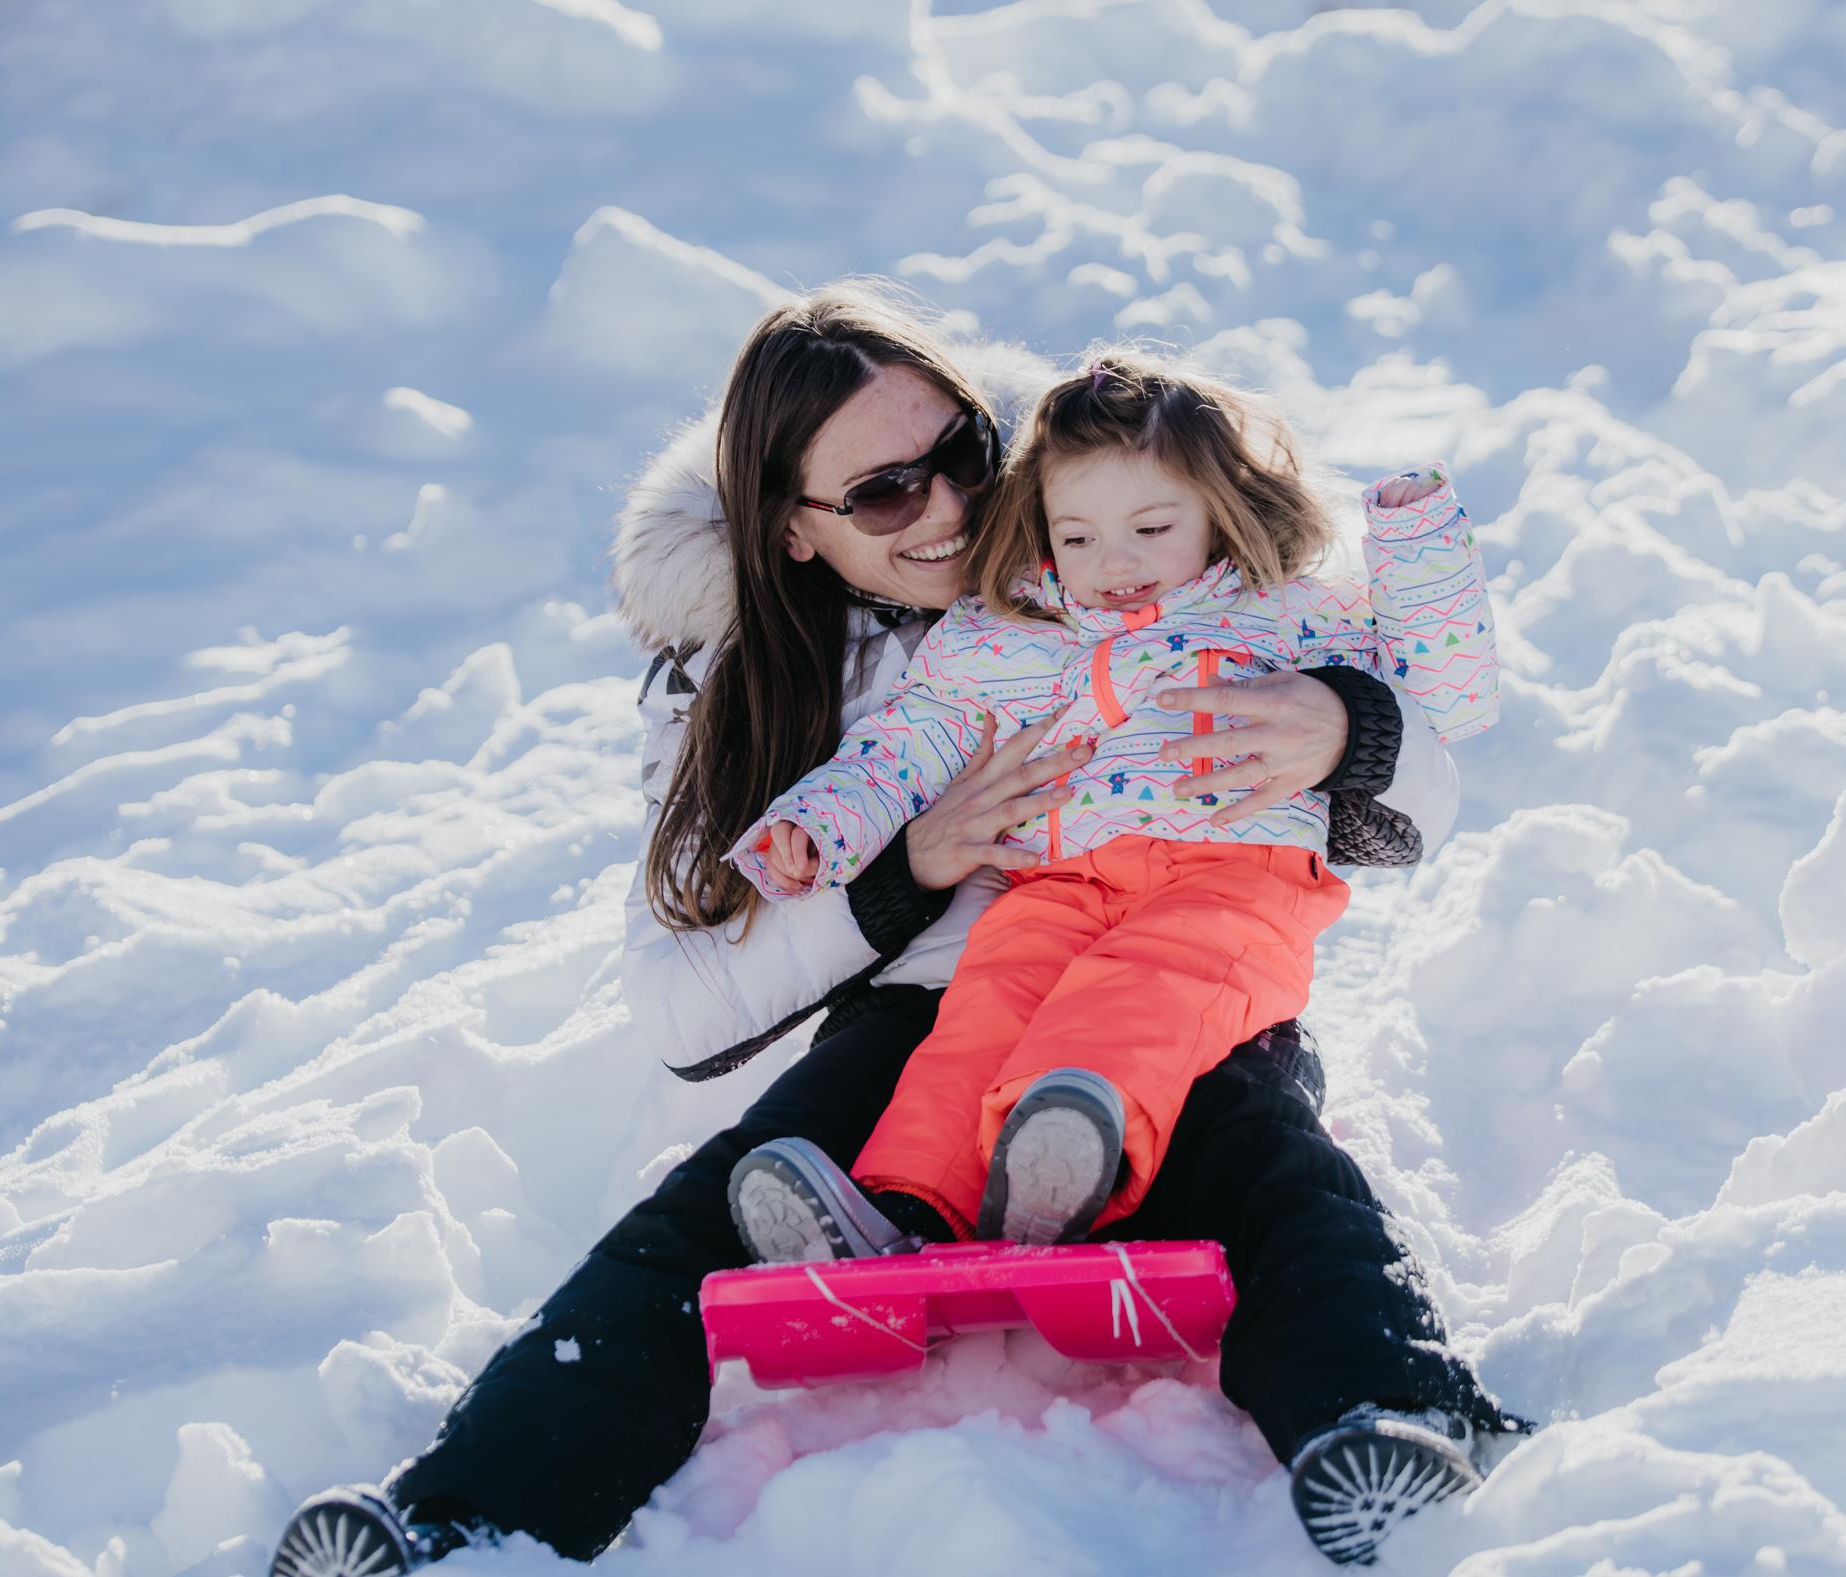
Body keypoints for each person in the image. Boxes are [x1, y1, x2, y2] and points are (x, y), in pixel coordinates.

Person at [267, 285, 1527, 1577]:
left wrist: (1343, 728)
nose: (943, 511)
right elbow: (681, 1003)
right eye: (881, 495)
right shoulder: (733, 683)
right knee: (695, 1228)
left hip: (1183, 955)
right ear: (795, 531)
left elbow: (1422, 766)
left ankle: (1393, 1422)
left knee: (1274, 1166)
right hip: (931, 1005)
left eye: (961, 460)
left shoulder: (1106, 527)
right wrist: (900, 877)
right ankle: (462, 1518)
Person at [723, 351, 1497, 1261]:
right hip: (1058, 884)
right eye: (1078, 537)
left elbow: (1445, 698)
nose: (1113, 562)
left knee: (1140, 993)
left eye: (1151, 526)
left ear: (1217, 508)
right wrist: (820, 822)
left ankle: (1065, 1159)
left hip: (1235, 877)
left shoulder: (1285, 609)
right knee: (982, 1014)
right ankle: (905, 1208)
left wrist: (1420, 548)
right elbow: (913, 736)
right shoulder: (1012, 626)